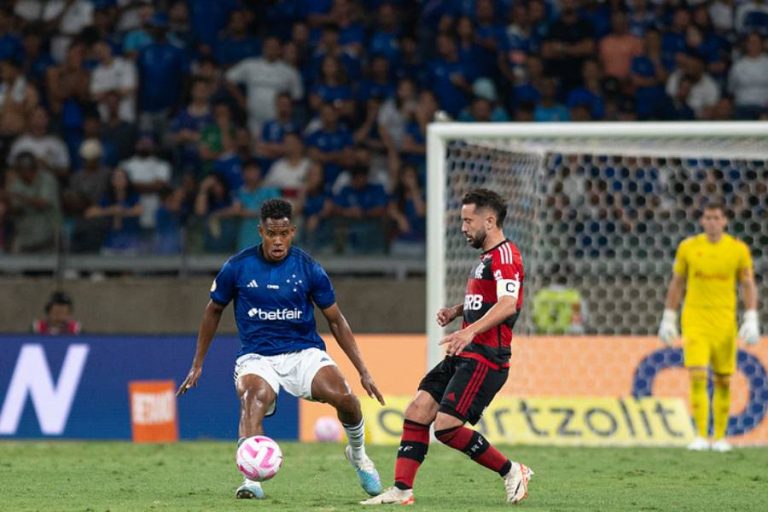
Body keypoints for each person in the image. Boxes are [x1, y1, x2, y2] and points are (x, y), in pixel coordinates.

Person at [177, 198, 385, 500]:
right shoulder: (237, 267)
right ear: (260, 231)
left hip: (303, 352)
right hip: (257, 356)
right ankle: (251, 480)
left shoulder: (309, 268)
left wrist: (363, 371)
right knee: (253, 397)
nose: (278, 241)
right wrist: (198, 364)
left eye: (284, 234)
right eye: (271, 234)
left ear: (293, 232)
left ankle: (358, 454)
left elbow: (336, 320)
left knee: (346, 399)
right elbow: (212, 311)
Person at [362, 189, 533, 506]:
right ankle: (402, 489)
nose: (463, 227)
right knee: (417, 410)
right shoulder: (486, 258)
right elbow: (490, 300)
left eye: (468, 221)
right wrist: (458, 311)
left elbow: (509, 304)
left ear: (490, 220)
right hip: (465, 352)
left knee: (446, 428)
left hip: (486, 358)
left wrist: (468, 331)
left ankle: (512, 471)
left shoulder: (506, 256)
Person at [658, 202, 760, 452]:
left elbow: (747, 285)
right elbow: (677, 282)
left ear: (725, 221)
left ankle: (721, 437)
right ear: (702, 221)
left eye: (716, 217)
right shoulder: (689, 247)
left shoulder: (737, 250)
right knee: (697, 376)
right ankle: (702, 435)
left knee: (724, 380)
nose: (712, 222)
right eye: (707, 217)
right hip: (694, 320)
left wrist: (751, 317)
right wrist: (669, 316)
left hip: (725, 321)